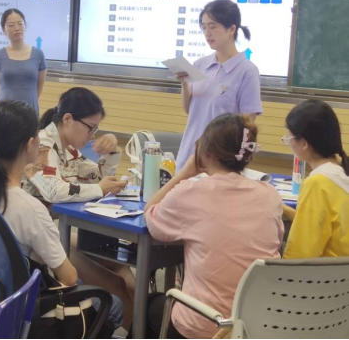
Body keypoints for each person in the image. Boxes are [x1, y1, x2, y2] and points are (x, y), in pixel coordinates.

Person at [0, 100, 123, 331]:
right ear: (30, 145)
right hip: (25, 310)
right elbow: (69, 278)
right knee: (114, 305)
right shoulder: (29, 208)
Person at [145, 114, 284, 339]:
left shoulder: (191, 192)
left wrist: (184, 174)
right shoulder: (270, 195)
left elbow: (151, 216)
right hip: (255, 327)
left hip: (206, 325)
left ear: (205, 153)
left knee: (149, 304)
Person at [24, 87, 135, 329]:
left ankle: (138, 329)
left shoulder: (68, 148)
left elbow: (97, 178)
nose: (93, 135)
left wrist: (112, 152)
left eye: (96, 129)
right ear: (67, 119)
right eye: (90, 128)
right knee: (118, 284)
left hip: (57, 229)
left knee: (127, 276)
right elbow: (53, 190)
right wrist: (100, 189)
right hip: (38, 238)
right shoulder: (43, 143)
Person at [175, 0, 263, 171]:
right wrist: (184, 84)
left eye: (213, 26)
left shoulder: (247, 71)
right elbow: (189, 110)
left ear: (231, 29)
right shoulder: (200, 64)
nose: (207, 33)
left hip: (219, 162)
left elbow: (247, 125)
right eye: (204, 27)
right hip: (189, 155)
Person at [282, 99, 349, 258]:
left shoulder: (317, 183)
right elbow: (322, 222)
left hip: (328, 272)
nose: (287, 142)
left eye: (288, 138)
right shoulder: (340, 171)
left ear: (304, 143)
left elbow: (300, 255)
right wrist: (283, 208)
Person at [0, 9, 47, 115]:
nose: (17, 28)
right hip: (4, 112)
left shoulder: (38, 54)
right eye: (11, 25)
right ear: (4, 30)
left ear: (25, 27)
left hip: (30, 111)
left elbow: (38, 89)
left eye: (20, 24)